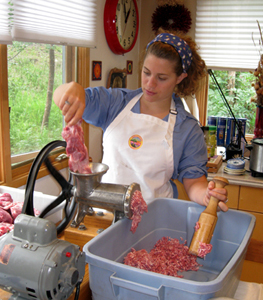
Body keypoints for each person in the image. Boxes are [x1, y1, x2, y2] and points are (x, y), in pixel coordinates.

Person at [53, 32, 228, 211]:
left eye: (161, 78)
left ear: (180, 78)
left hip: (152, 222)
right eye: (146, 72)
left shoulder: (187, 129)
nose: (150, 84)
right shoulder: (116, 103)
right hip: (105, 216)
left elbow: (194, 182)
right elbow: (63, 97)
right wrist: (71, 89)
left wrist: (206, 195)